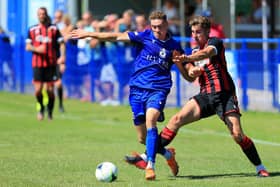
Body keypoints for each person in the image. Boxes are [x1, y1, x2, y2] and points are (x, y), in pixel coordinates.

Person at [128, 15, 270, 178]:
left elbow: (206, 54)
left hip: (225, 96)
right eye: (193, 32)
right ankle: (148, 156)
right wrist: (184, 67)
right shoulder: (193, 52)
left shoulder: (214, 43)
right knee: (176, 120)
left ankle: (260, 167)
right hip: (205, 96)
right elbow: (190, 77)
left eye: (198, 32)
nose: (195, 36)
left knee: (237, 134)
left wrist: (186, 58)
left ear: (207, 31)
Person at [71, 11, 189, 180]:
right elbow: (115, 36)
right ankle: (168, 154)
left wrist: (192, 69)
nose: (157, 29)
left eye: (160, 26)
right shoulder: (144, 36)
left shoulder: (174, 46)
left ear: (166, 25)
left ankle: (150, 166)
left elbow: (187, 68)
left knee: (151, 121)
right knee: (142, 138)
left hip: (158, 89)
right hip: (137, 90)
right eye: (154, 26)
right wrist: (89, 33)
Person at [26, 7, 65, 120]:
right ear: (37, 16)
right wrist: (38, 49)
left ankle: (50, 112)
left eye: (43, 14)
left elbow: (62, 43)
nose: (42, 16)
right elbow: (28, 46)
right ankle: (41, 109)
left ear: (46, 15)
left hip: (51, 64)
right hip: (37, 64)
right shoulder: (32, 29)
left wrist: (62, 57)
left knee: (50, 91)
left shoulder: (53, 29)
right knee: (38, 90)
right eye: (40, 14)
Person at [53, 10, 67, 112]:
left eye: (59, 17)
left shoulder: (62, 28)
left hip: (57, 60)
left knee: (58, 83)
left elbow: (63, 42)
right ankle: (44, 106)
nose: (57, 19)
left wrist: (62, 60)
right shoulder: (51, 28)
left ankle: (61, 105)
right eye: (55, 17)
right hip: (47, 60)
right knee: (45, 86)